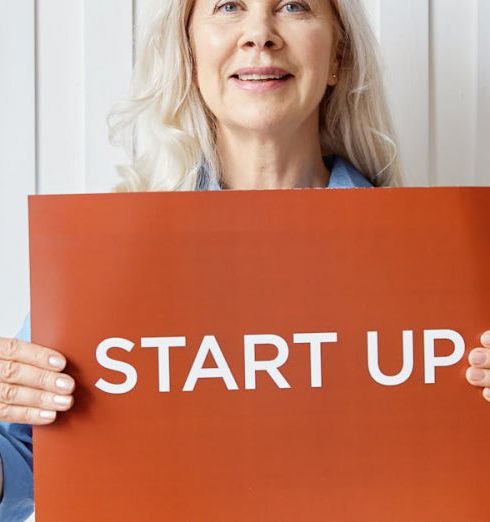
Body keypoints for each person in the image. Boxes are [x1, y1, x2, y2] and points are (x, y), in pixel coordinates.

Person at [1, 0, 489, 519]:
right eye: (228, 6)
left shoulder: (449, 264)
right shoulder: (102, 262)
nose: (259, 34)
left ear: (339, 55)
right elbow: (25, 469)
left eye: (294, 6)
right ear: (189, 52)